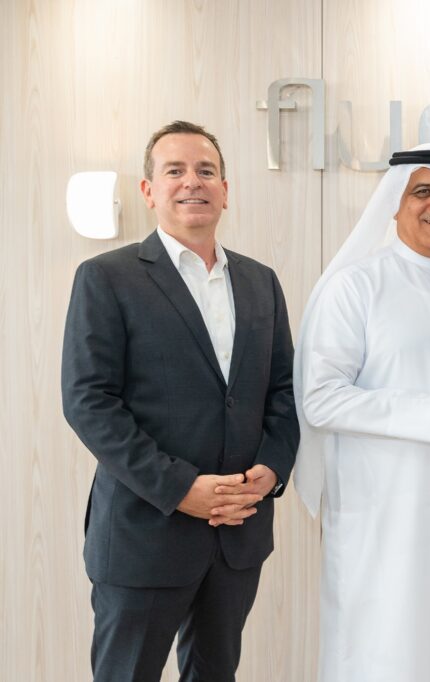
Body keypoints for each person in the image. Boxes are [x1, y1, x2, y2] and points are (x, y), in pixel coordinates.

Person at [61, 120, 299, 681]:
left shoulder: (261, 282)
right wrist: (180, 489)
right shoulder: (105, 278)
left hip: (238, 535)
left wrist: (272, 467)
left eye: (206, 171)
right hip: (144, 534)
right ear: (148, 190)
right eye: (175, 170)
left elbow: (284, 391)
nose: (192, 182)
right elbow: (88, 401)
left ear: (226, 189)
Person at [293, 144, 430, 681]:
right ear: (395, 202)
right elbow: (320, 397)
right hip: (384, 518)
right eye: (424, 191)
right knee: (385, 651)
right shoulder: (353, 287)